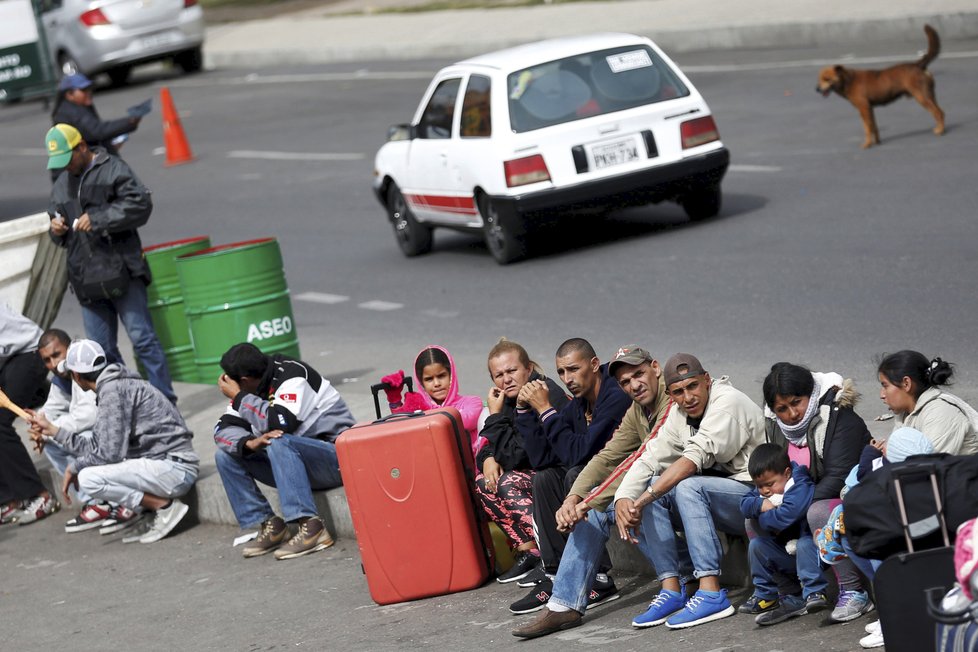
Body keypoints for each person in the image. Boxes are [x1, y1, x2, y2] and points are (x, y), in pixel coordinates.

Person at [512, 344, 674, 638]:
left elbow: (639, 458)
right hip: (653, 482)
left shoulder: (658, 400)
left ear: (655, 367)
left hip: (695, 484)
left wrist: (586, 501)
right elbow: (603, 456)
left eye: (638, 375)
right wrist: (575, 499)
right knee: (553, 481)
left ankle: (678, 579)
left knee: (625, 498)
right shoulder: (626, 407)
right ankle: (564, 602)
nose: (633, 385)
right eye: (625, 381)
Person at [614, 353, 765, 630]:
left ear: (707, 381)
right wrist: (624, 498)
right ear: (671, 395)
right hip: (717, 498)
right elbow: (650, 456)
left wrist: (644, 499)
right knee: (651, 484)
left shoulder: (727, 402)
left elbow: (694, 458)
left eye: (693, 386)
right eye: (679, 392)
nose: (688, 397)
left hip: (757, 497)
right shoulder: (678, 413)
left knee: (684, 486)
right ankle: (672, 589)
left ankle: (710, 592)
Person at [45, 123, 176, 404]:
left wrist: (100, 218)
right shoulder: (61, 184)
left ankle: (165, 402)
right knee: (102, 351)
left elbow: (140, 205)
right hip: (85, 280)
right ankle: (130, 403)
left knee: (143, 340)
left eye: (67, 159)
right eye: (59, 163)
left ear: (81, 147)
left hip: (122, 272)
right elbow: (57, 227)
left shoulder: (113, 169)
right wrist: (56, 230)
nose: (65, 167)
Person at [29, 339, 198, 544]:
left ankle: (164, 507)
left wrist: (73, 468)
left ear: (77, 376)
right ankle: (149, 513)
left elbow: (109, 455)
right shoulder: (112, 385)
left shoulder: (112, 391)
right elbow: (99, 447)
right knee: (92, 470)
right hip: (166, 464)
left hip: (174, 468)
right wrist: (55, 431)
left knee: (90, 478)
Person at [508, 338, 631, 615]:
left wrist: (545, 409)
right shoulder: (579, 403)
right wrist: (525, 410)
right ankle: (554, 573)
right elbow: (544, 458)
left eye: (573, 370)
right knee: (545, 477)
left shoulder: (614, 395)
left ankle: (599, 577)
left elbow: (578, 453)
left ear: (595, 365)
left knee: (574, 474)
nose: (567, 379)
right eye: (562, 372)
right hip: (597, 473)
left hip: (627, 471)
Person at [214, 343, 355, 560]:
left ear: (242, 381)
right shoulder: (250, 389)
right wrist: (249, 442)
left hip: (336, 460)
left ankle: (311, 526)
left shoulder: (292, 375)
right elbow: (221, 431)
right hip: (295, 465)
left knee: (279, 440)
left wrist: (240, 398)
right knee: (226, 455)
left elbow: (280, 422)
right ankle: (271, 525)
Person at [760, 362, 872, 622]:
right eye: (781, 409)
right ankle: (792, 593)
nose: (791, 414)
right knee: (755, 514)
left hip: (847, 495)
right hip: (801, 503)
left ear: (810, 394)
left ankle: (855, 591)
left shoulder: (839, 417)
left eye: (796, 402)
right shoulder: (776, 426)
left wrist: (792, 508)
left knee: (819, 512)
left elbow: (838, 478)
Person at [476, 338, 569, 584]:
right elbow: (489, 447)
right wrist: (487, 458)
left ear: (528, 369)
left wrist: (494, 416)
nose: (506, 379)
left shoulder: (541, 393)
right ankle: (531, 552)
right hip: (534, 471)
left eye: (511, 371)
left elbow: (516, 455)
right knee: (484, 483)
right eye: (498, 375)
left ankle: (552, 555)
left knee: (508, 482)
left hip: (558, 474)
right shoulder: (507, 399)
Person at [28, 328, 130, 534]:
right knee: (52, 440)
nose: (54, 364)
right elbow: (52, 407)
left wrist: (52, 428)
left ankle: (116, 497)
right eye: (47, 360)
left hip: (122, 436)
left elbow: (89, 413)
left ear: (71, 346)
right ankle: (97, 503)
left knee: (72, 436)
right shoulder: (61, 375)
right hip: (101, 435)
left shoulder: (85, 363)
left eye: (57, 354)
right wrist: (38, 423)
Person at [739, 443, 828, 626]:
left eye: (770, 484)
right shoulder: (766, 489)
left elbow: (787, 516)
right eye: (759, 486)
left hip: (813, 552)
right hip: (787, 553)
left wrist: (764, 518)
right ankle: (766, 595)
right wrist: (759, 505)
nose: (764, 491)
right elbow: (744, 504)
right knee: (757, 546)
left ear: (787, 474)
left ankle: (814, 592)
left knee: (804, 544)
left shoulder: (800, 484)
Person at [0, 303, 59, 525]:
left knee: (0, 422)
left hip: (30, 351)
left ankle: (39, 496)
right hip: (7, 357)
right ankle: (7, 500)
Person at [381, 345, 486, 457]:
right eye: (429, 379)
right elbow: (402, 430)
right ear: (421, 383)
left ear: (451, 375)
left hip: (469, 471)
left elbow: (464, 421)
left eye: (441, 376)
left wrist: (426, 413)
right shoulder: (418, 407)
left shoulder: (472, 402)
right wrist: (395, 401)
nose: (436, 383)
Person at [877, 351, 978, 455]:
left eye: (885, 386)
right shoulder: (905, 413)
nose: (882, 395)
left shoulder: (940, 412)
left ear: (906, 383)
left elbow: (929, 466)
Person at [50, 74, 140, 181]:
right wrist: (130, 122)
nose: (89, 93)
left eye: (89, 89)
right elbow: (97, 131)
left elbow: (93, 135)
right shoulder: (71, 112)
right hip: (77, 175)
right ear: (70, 94)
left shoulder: (80, 106)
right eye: (83, 90)